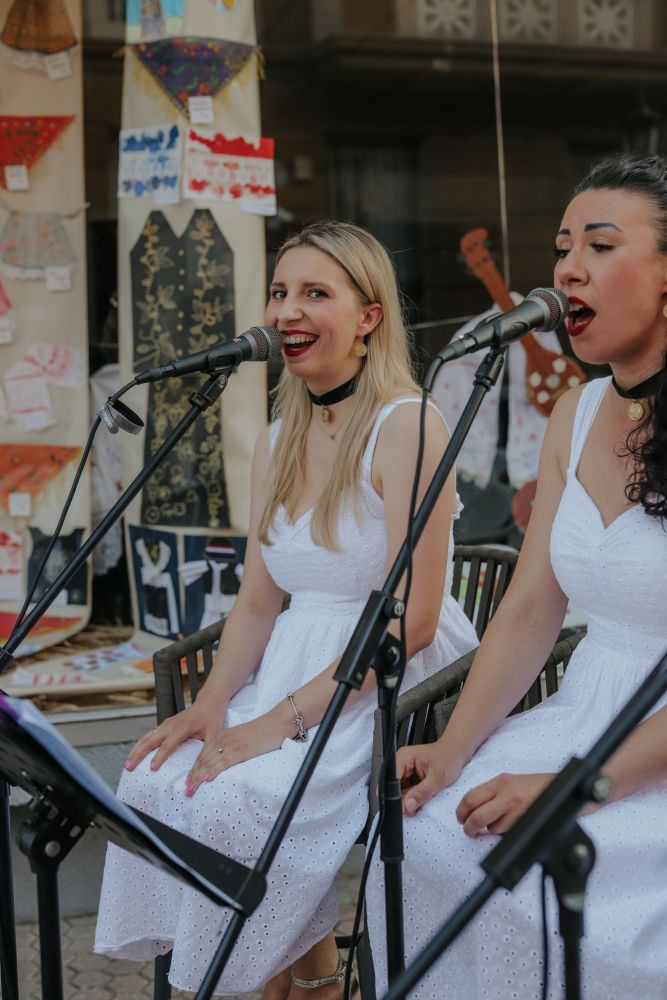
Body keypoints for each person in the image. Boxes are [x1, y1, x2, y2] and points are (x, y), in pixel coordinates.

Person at [94, 221, 478, 996]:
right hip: (290, 664)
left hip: (383, 677)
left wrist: (275, 723)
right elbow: (257, 602)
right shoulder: (276, 437)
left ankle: (290, 980)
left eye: (315, 293)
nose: (286, 311)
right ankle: (312, 980)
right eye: (278, 292)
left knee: (232, 798)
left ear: (368, 317)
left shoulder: (407, 424)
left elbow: (414, 619)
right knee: (157, 782)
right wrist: (211, 705)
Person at [367, 152, 667, 999]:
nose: (566, 269)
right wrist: (452, 748)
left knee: (536, 887)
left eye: (599, 246)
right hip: (582, 711)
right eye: (562, 247)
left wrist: (575, 788)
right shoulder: (576, 411)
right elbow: (532, 607)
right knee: (427, 832)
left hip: (647, 754)